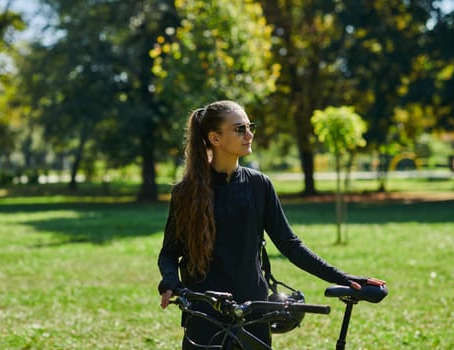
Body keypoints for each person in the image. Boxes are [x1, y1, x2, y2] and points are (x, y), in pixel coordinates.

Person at [157, 100, 385, 349]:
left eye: (249, 126)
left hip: (254, 308)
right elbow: (169, 252)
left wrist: (344, 278)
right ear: (215, 138)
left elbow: (290, 245)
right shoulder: (185, 192)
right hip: (204, 311)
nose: (250, 134)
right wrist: (170, 281)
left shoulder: (259, 185)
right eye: (240, 129)